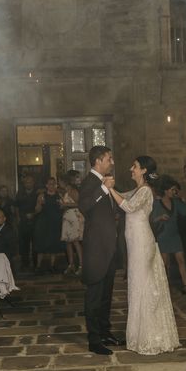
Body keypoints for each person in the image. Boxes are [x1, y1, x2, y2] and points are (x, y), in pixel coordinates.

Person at [109, 156, 180, 355]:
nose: (131, 168)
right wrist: (108, 187)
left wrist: (110, 189)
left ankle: (149, 336)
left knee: (142, 286)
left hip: (142, 243)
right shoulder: (138, 190)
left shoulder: (147, 191)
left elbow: (128, 206)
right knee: (136, 285)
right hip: (134, 243)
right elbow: (124, 196)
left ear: (144, 171)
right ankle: (138, 334)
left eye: (135, 166)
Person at [78, 146, 124, 355]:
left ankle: (105, 332)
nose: (111, 162)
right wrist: (104, 189)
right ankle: (94, 340)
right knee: (94, 296)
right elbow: (84, 206)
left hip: (109, 248)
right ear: (98, 161)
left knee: (106, 295)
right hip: (96, 249)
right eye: (109, 158)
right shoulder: (89, 182)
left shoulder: (105, 182)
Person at [151, 176, 186, 295]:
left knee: (181, 260)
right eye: (172, 189)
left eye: (175, 190)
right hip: (163, 236)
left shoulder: (177, 203)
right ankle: (165, 286)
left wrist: (183, 201)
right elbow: (152, 219)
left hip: (175, 236)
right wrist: (160, 218)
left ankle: (185, 285)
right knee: (165, 263)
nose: (174, 192)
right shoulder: (157, 204)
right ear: (166, 190)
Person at [33, 177, 64, 272]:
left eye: (54, 184)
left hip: (55, 222)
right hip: (44, 222)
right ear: (46, 185)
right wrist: (40, 204)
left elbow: (63, 208)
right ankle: (38, 266)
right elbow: (36, 210)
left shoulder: (59, 195)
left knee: (53, 244)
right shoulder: (42, 196)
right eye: (50, 184)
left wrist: (62, 205)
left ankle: (52, 265)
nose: (52, 186)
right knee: (41, 244)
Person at [60, 173, 84, 275]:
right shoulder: (65, 191)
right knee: (68, 242)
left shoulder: (73, 190)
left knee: (75, 241)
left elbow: (79, 203)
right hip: (68, 217)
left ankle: (81, 265)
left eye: (60, 181)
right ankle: (71, 264)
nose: (58, 183)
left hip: (75, 216)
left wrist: (66, 204)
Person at [15, 174, 39, 271]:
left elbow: (40, 206)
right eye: (26, 182)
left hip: (35, 221)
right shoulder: (20, 193)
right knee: (23, 243)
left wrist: (34, 214)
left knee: (35, 243)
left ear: (33, 182)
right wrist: (17, 218)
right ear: (24, 184)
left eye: (30, 182)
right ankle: (25, 263)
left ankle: (36, 263)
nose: (28, 184)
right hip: (23, 221)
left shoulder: (38, 193)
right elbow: (16, 206)